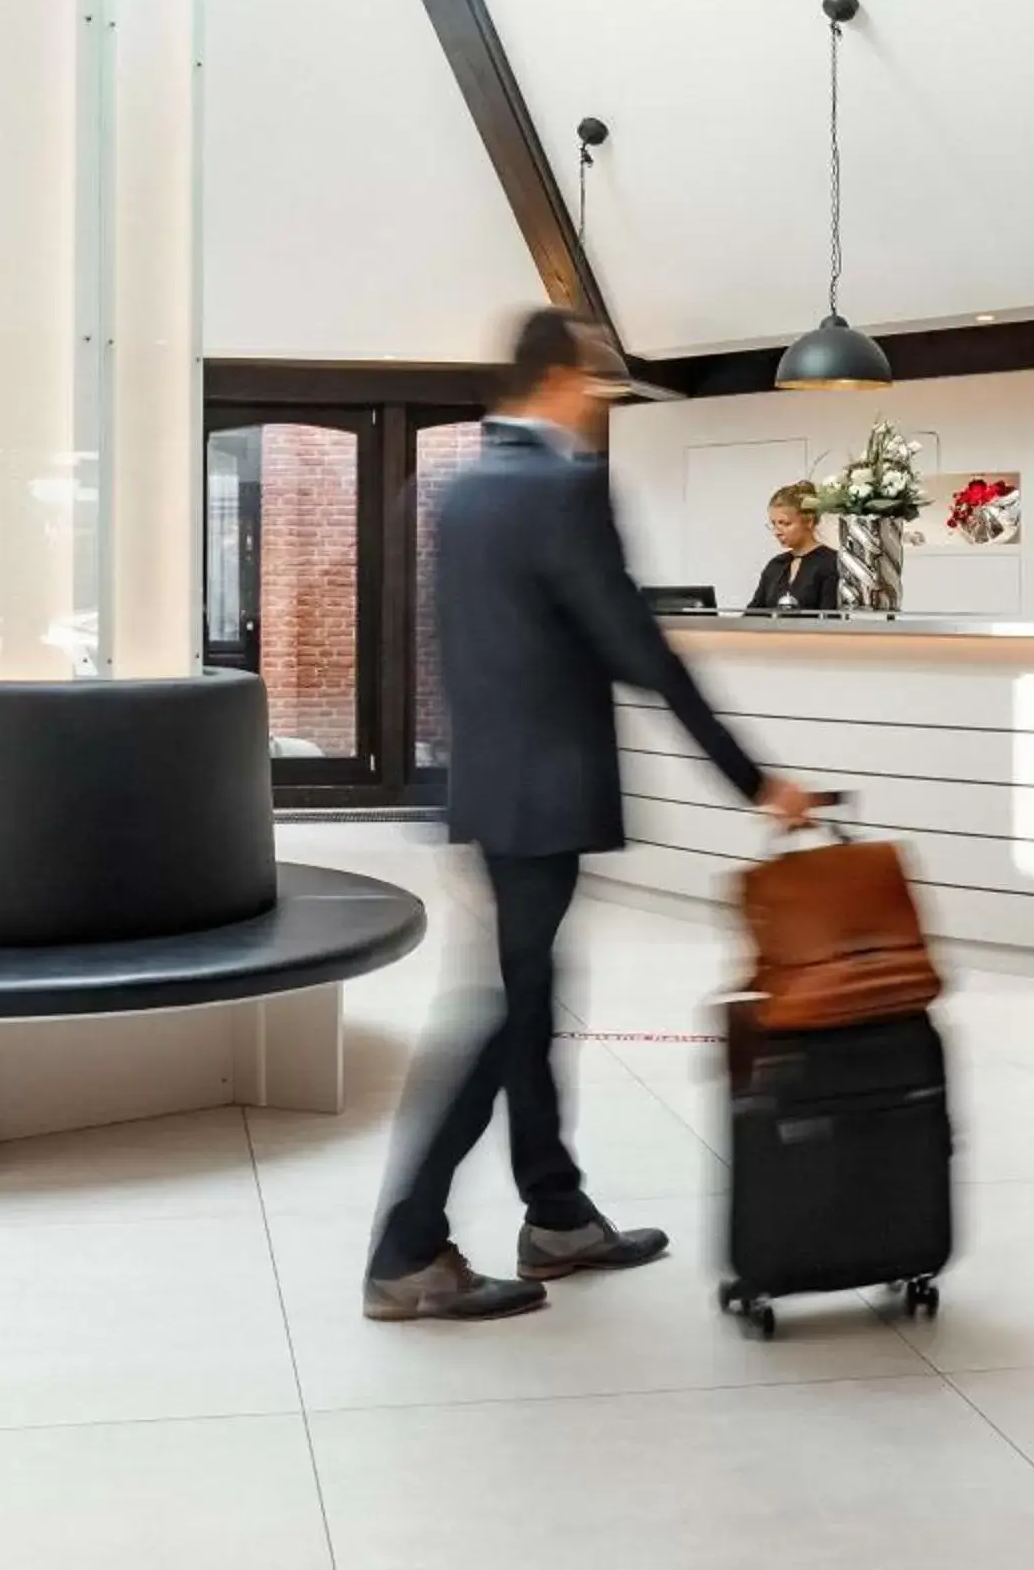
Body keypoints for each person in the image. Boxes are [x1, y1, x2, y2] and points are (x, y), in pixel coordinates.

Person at [365, 307, 813, 1322]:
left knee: (529, 994)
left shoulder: (459, 487)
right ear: (564, 379)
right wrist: (755, 779)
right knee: (508, 1011)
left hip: (486, 788)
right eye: (597, 384)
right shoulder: (563, 486)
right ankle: (406, 1244)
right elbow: (639, 649)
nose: (601, 402)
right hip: (549, 791)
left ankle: (556, 1212)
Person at [745, 482, 843, 613]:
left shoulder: (832, 563)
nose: (777, 532)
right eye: (773, 524)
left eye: (784, 523)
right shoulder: (775, 565)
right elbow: (752, 615)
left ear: (809, 521)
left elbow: (830, 620)